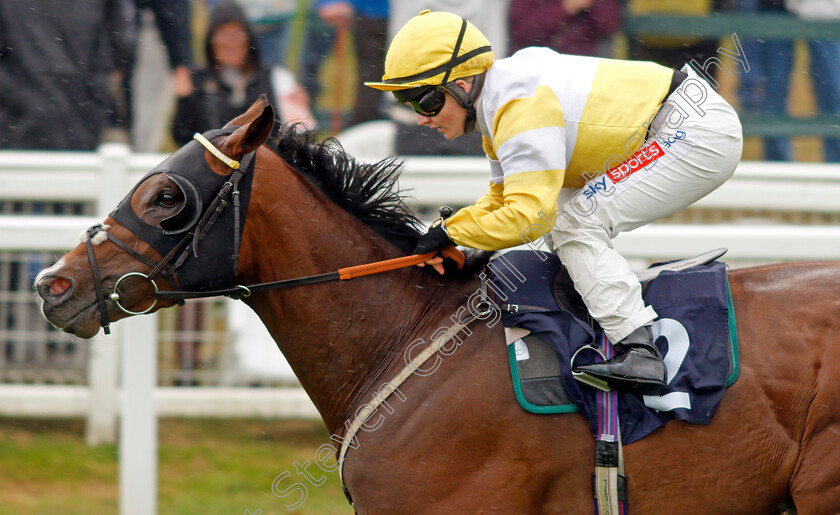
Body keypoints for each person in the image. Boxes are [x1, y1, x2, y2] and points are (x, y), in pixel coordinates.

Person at [366, 10, 743, 394]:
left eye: (425, 101)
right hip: (672, 123)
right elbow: (503, 198)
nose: (420, 118)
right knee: (567, 215)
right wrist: (452, 235)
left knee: (574, 222)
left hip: (693, 130)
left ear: (462, 84)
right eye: (407, 102)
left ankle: (640, 349)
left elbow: (530, 217)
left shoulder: (519, 105)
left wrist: (453, 230)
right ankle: (597, 310)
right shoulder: (499, 100)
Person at [171, 1, 315, 146]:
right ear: (211, 40)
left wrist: (302, 114)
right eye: (223, 33)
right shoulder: (196, 80)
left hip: (262, 163)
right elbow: (182, 138)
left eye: (237, 33)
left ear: (249, 37)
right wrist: (186, 101)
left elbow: (304, 138)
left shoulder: (276, 78)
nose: (230, 41)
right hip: (210, 163)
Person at [508, 0, 622, 58]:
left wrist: (592, 6)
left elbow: (609, 27)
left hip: (580, 67)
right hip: (534, 66)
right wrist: (565, 9)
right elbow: (521, 30)